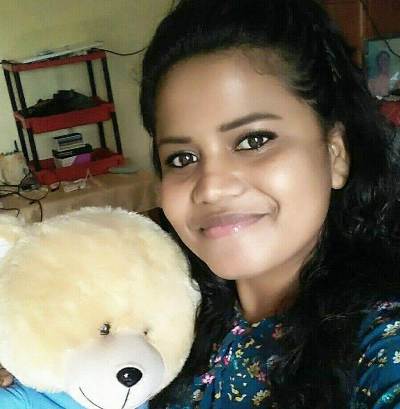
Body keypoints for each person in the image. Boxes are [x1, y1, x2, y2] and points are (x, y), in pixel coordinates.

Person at [140, 0, 400, 408]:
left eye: (253, 140)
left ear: (335, 154)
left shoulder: (381, 345)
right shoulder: (160, 315)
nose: (212, 187)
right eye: (182, 158)